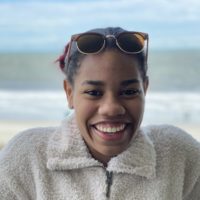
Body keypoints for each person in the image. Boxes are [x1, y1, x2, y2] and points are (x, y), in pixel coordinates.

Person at [0, 27, 200, 200]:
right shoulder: (26, 157)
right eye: (93, 93)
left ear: (144, 90)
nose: (111, 108)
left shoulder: (180, 154)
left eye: (129, 92)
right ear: (69, 93)